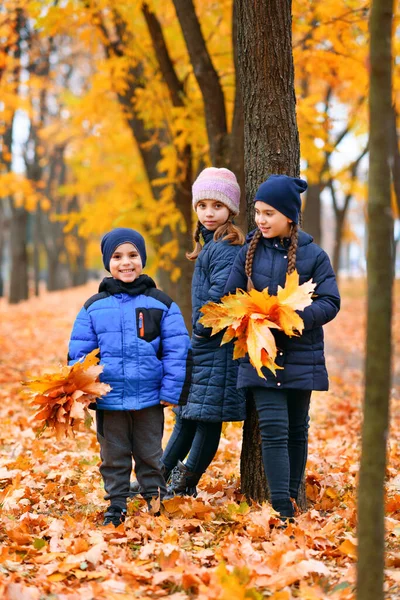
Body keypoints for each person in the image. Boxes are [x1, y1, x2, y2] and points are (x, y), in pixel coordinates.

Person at [224, 174, 340, 519]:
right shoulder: (249, 251)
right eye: (258, 212)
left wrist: (295, 316)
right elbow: (229, 297)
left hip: (301, 355)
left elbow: (330, 301)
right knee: (273, 429)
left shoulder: (313, 255)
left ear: (289, 216)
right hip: (260, 356)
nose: (261, 220)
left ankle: (292, 495)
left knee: (296, 428)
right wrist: (254, 315)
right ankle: (281, 508)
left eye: (269, 213)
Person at [130, 167, 247, 499]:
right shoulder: (210, 245)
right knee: (187, 415)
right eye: (202, 206)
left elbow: (220, 298)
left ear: (231, 210)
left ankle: (185, 481)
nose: (209, 213)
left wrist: (197, 329)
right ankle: (159, 476)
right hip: (205, 345)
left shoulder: (226, 247)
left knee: (207, 418)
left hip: (219, 346)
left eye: (217, 206)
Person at [68, 228, 191, 526]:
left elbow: (177, 350)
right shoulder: (93, 307)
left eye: (133, 255)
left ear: (143, 260)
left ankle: (155, 498)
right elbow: (80, 354)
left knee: (150, 453)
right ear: (107, 262)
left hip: (149, 398)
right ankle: (117, 504)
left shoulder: (161, 304)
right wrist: (83, 391)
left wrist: (170, 391)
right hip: (110, 400)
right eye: (118, 256)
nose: (126, 262)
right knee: (113, 456)